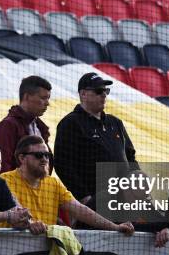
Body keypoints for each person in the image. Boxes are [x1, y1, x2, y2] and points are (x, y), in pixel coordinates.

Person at [1, 135, 135, 235]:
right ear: (22, 158)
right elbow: (16, 210)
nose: (44, 159)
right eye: (38, 155)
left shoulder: (53, 183)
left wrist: (115, 227)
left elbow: (82, 211)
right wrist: (30, 224)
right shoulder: (5, 181)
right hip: (8, 252)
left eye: (47, 155)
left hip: (42, 254)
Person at [54, 72, 138, 209]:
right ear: (83, 94)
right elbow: (63, 164)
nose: (104, 94)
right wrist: (84, 198)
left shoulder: (115, 122)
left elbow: (130, 156)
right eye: (99, 91)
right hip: (96, 203)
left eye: (106, 91)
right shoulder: (70, 123)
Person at [0, 76, 52, 173]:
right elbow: (2, 165)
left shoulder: (40, 128)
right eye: (43, 98)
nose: (47, 103)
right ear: (27, 97)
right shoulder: (7, 126)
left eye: (48, 98)